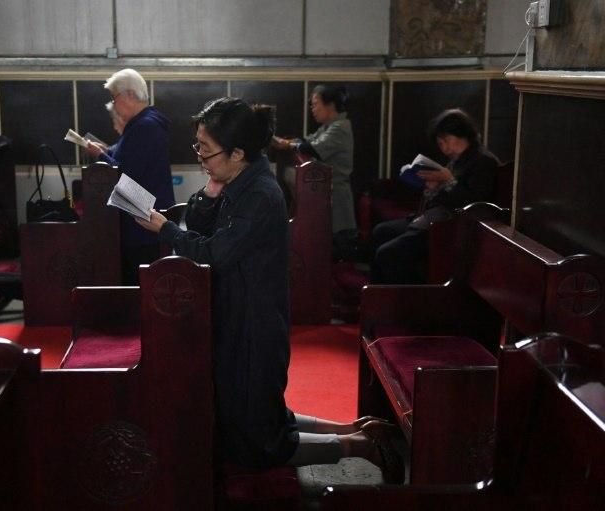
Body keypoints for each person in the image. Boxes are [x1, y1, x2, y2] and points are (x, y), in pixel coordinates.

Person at [135, 97, 403, 483]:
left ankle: (361, 446)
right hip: (237, 316)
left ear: (237, 153)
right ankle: (355, 430)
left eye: (205, 149)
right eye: (198, 146)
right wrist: (208, 194)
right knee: (253, 419)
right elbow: (203, 228)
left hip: (253, 326)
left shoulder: (260, 193)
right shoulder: (239, 180)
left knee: (257, 443)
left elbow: (214, 253)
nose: (200, 156)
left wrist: (166, 229)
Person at [371, 108, 499, 284]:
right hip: (435, 218)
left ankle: (410, 295)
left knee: (387, 253)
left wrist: (449, 181)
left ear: (463, 134)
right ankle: (376, 292)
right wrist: (433, 187)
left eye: (447, 140)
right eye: (440, 143)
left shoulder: (483, 161)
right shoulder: (456, 160)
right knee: (381, 231)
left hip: (454, 226)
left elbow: (474, 203)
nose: (445, 148)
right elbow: (442, 196)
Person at [84, 68, 175, 284]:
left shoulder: (144, 126)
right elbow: (126, 158)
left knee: (139, 283)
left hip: (142, 223)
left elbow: (125, 174)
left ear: (130, 95)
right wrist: (107, 151)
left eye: (114, 98)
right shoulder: (142, 124)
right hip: (141, 215)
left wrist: (100, 155)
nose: (113, 104)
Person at [272, 84, 358, 262]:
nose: (312, 108)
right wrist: (284, 142)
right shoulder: (328, 126)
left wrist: (287, 144)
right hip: (323, 194)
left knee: (336, 248)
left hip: (336, 196)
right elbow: (305, 141)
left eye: (315, 104)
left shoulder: (340, 127)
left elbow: (313, 149)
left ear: (330, 105)